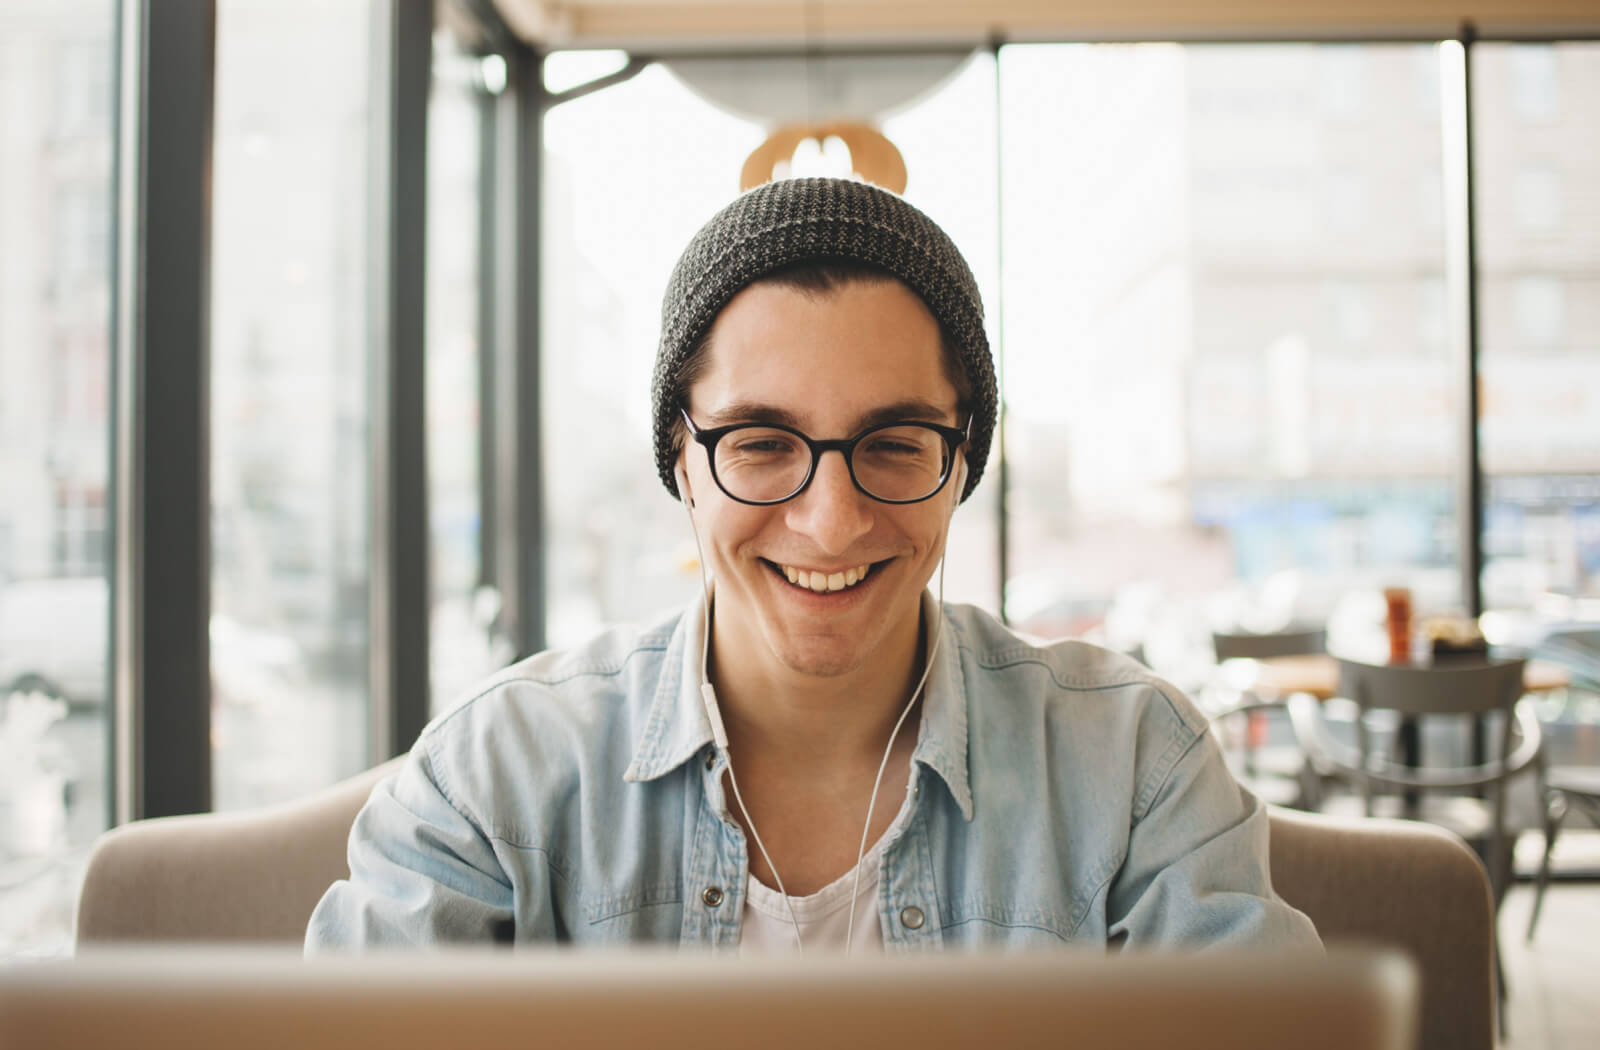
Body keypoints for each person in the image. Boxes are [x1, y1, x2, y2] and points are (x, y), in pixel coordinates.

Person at [306, 177, 1320, 953]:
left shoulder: (1132, 767)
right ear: (680, 460)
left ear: (961, 460)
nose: (830, 523)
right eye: (759, 444)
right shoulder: (495, 781)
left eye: (892, 443)